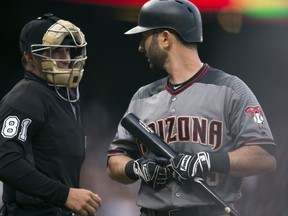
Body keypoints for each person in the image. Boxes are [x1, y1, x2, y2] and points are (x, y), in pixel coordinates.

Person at [106, 0, 277, 215]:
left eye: (145, 37)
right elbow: (114, 163)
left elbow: (264, 156)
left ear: (166, 39)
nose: (141, 47)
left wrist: (207, 161)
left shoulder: (230, 90)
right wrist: (137, 168)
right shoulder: (142, 97)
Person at [0, 13, 102, 216]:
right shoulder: (24, 98)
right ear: (29, 57)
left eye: (69, 51)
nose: (66, 59)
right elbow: (5, 160)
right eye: (56, 52)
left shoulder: (63, 96)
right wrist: (64, 195)